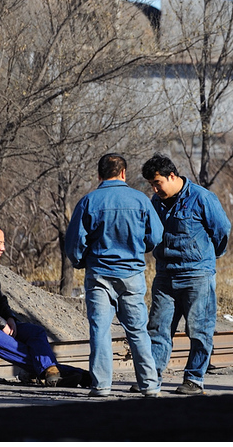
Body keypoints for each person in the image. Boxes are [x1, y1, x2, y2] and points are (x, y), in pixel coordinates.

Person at [65, 153, 163, 398]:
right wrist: (140, 249)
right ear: (123, 174)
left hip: (99, 276)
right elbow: (156, 236)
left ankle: (101, 386)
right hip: (132, 274)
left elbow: (74, 243)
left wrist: (81, 262)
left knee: (100, 330)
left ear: (99, 175)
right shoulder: (141, 200)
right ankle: (150, 385)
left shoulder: (89, 201)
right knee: (138, 330)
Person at [0, 223, 85, 388]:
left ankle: (55, 374)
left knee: (36, 332)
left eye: (3, 243)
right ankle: (77, 375)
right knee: (20, 350)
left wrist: (10, 318)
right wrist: (2, 324)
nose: (3, 248)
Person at [139, 153, 231, 395]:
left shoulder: (202, 198)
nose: (155, 188)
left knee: (199, 329)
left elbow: (222, 230)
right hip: (165, 275)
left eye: (157, 182)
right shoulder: (156, 202)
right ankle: (152, 378)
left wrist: (208, 258)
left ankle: (194, 379)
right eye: (151, 185)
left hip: (197, 275)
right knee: (158, 328)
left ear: (172, 176)